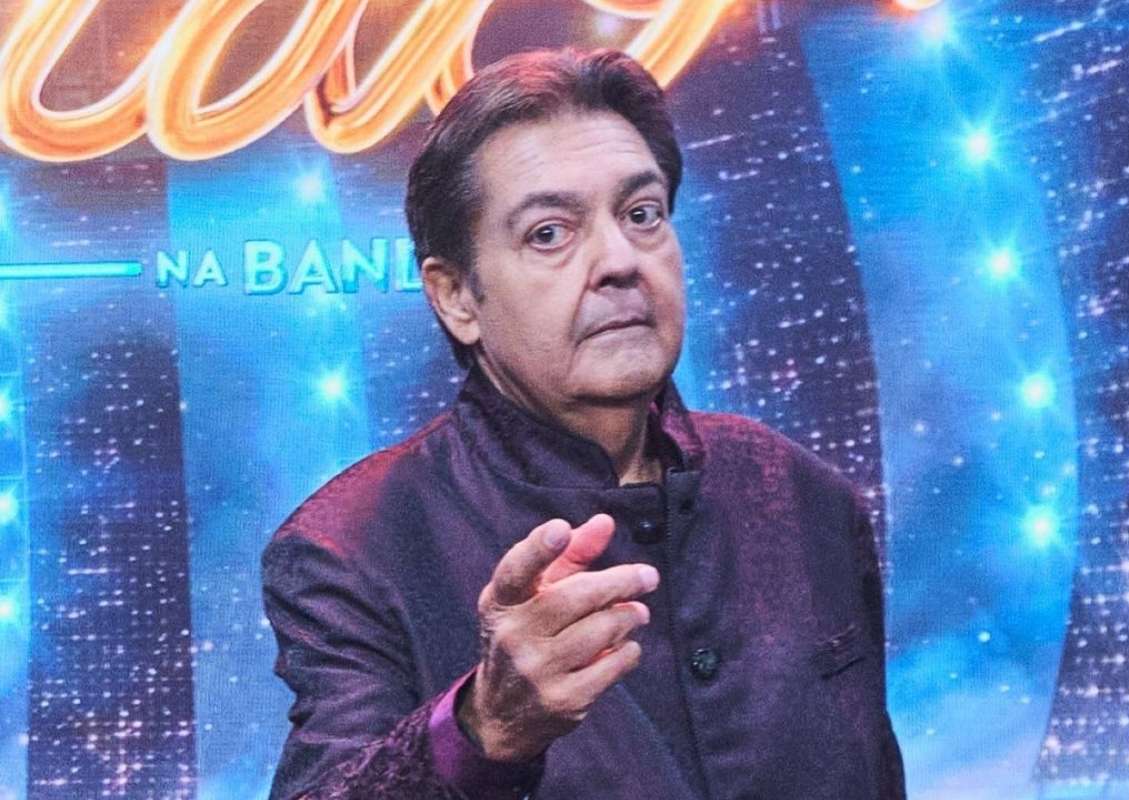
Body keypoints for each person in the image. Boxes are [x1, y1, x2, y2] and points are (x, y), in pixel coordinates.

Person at [262, 48, 906, 800]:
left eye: (642, 215)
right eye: (549, 233)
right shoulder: (350, 546)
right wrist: (482, 732)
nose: (619, 260)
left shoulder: (799, 493)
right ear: (456, 297)